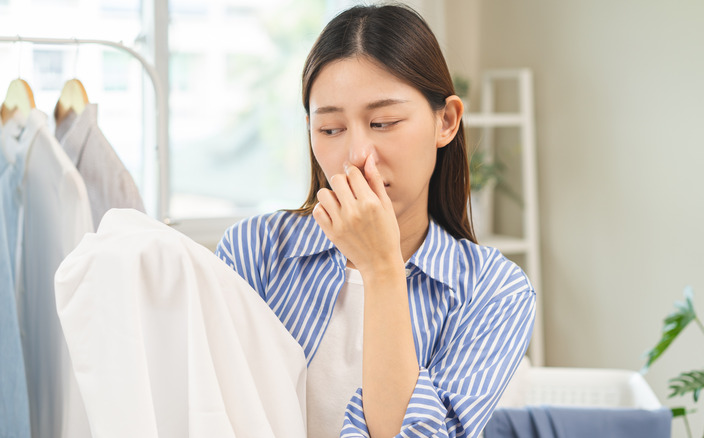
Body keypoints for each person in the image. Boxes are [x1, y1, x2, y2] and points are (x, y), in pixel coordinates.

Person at [216, 4, 536, 438]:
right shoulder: (255, 249)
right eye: (330, 129)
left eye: (383, 122)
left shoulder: (494, 291)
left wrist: (382, 268)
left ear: (446, 121)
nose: (356, 156)